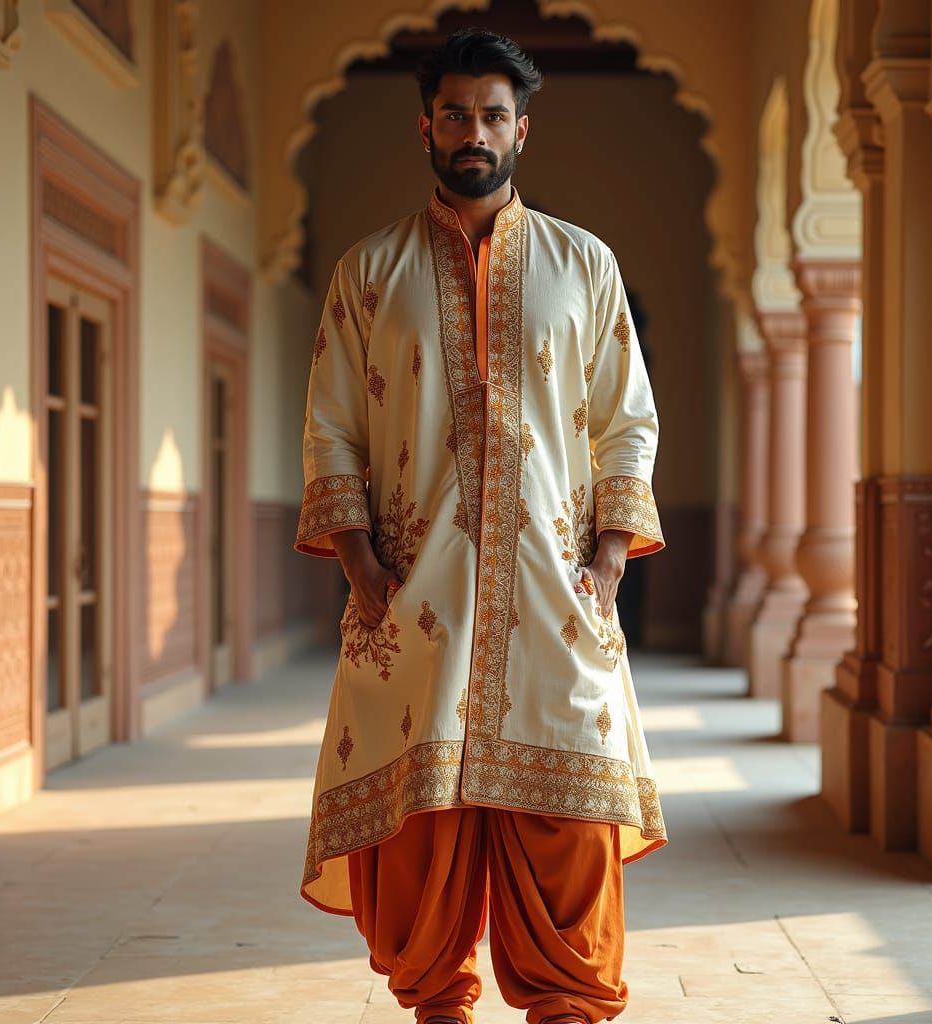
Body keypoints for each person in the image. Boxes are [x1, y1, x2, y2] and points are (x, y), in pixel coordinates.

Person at [294, 27, 667, 1024]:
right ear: (427, 125)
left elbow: (626, 417)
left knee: (571, 830)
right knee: (419, 839)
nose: (474, 131)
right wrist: (362, 566)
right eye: (455, 112)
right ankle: (439, 1008)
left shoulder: (584, 264)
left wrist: (607, 560)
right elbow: (331, 420)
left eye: (493, 114)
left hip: (557, 594)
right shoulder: (368, 273)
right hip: (412, 604)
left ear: (522, 130)